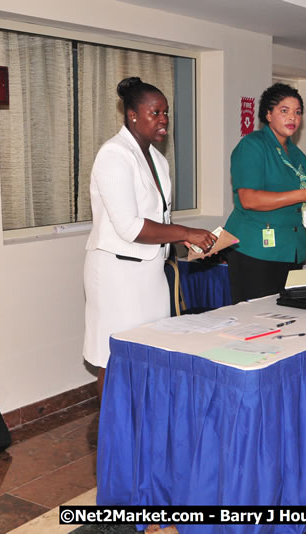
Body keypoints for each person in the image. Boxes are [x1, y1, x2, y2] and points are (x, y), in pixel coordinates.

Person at [83, 77, 216, 399]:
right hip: (118, 273)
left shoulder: (157, 159)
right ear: (132, 115)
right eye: (155, 112)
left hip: (150, 272)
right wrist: (184, 232)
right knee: (114, 356)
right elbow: (129, 227)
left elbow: (159, 220)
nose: (164, 120)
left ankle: (141, 422)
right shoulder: (113, 154)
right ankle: (113, 431)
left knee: (150, 349)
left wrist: (185, 238)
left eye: (166, 112)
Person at [224, 83, 306, 303]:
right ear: (268, 115)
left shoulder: (298, 155)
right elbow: (248, 199)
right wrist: (302, 195)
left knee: (286, 321)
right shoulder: (253, 145)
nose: (293, 118)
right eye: (284, 111)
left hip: (291, 250)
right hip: (256, 250)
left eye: (298, 112)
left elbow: (299, 206)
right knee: (258, 323)